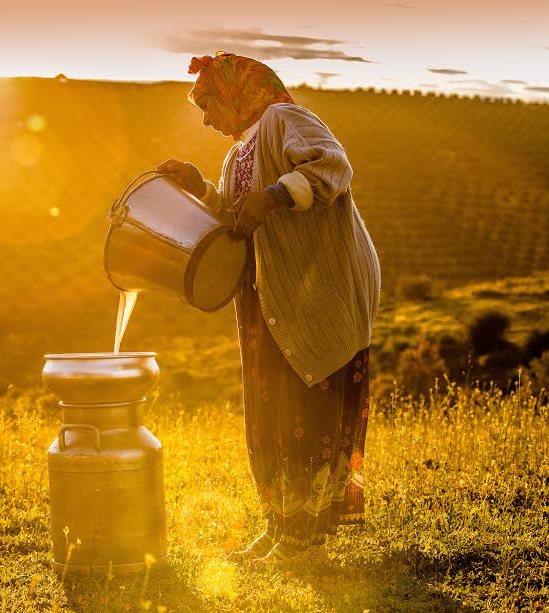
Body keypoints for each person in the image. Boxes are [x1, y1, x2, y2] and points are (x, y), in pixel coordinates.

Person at [157, 52, 381, 561]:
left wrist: (277, 195)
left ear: (239, 93)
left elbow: (331, 165)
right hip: (267, 296)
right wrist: (198, 187)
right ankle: (281, 526)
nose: (206, 118)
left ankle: (308, 539)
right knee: (270, 411)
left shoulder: (283, 120)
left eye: (208, 103)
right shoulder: (238, 155)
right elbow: (236, 216)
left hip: (314, 292)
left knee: (307, 408)